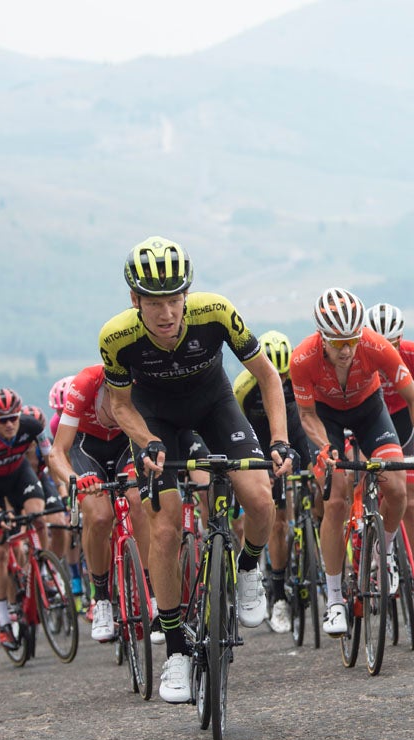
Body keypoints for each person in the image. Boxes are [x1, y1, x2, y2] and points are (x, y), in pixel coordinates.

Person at [99, 236, 296, 703]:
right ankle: (176, 650)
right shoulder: (117, 337)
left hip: (215, 407)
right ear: (135, 300)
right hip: (154, 422)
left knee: (261, 498)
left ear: (187, 295)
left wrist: (280, 439)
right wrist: (145, 440)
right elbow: (120, 406)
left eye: (174, 300)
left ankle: (248, 568)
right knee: (164, 529)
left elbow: (268, 376)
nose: (167, 314)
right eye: (154, 303)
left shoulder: (216, 313)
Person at [289, 288, 414, 638]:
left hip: (370, 412)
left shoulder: (375, 346)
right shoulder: (302, 358)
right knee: (336, 498)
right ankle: (335, 599)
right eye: (338, 343)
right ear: (322, 337)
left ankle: (382, 554)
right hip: (325, 419)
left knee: (397, 488)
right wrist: (324, 448)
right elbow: (306, 415)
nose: (346, 350)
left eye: (352, 340)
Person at [48, 364, 156, 643]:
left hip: (126, 443)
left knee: (136, 499)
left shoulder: (141, 382)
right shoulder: (84, 385)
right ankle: (102, 599)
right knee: (98, 516)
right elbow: (57, 453)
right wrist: (74, 479)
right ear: (104, 389)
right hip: (86, 446)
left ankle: (150, 589)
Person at [232, 329, 315, 634]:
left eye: (284, 374)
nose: (279, 380)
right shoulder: (243, 387)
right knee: (278, 521)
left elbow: (310, 419)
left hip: (293, 430)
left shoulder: (299, 378)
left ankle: (313, 548)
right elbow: (236, 429)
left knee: (323, 485)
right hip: (259, 439)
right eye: (274, 374)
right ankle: (279, 595)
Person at [365, 303, 414, 624]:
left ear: (401, 339)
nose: (385, 351)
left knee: (410, 499)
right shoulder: (359, 357)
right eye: (379, 343)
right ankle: (367, 551)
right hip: (368, 422)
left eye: (392, 344)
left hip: (404, 421)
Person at [0, 388, 56, 649]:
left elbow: (50, 458)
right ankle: (4, 621)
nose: (9, 424)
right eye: (2, 420)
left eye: (13, 418)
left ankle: (43, 570)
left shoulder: (32, 426)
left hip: (20, 476)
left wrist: (68, 487)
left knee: (39, 517)